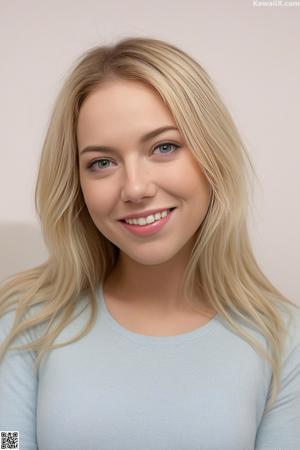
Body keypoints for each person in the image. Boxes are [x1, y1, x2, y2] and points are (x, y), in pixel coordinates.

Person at [0, 36, 299, 450]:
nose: (135, 188)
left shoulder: (284, 340)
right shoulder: (25, 321)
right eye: (101, 162)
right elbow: (7, 441)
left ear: (213, 155)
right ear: (77, 183)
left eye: (164, 147)